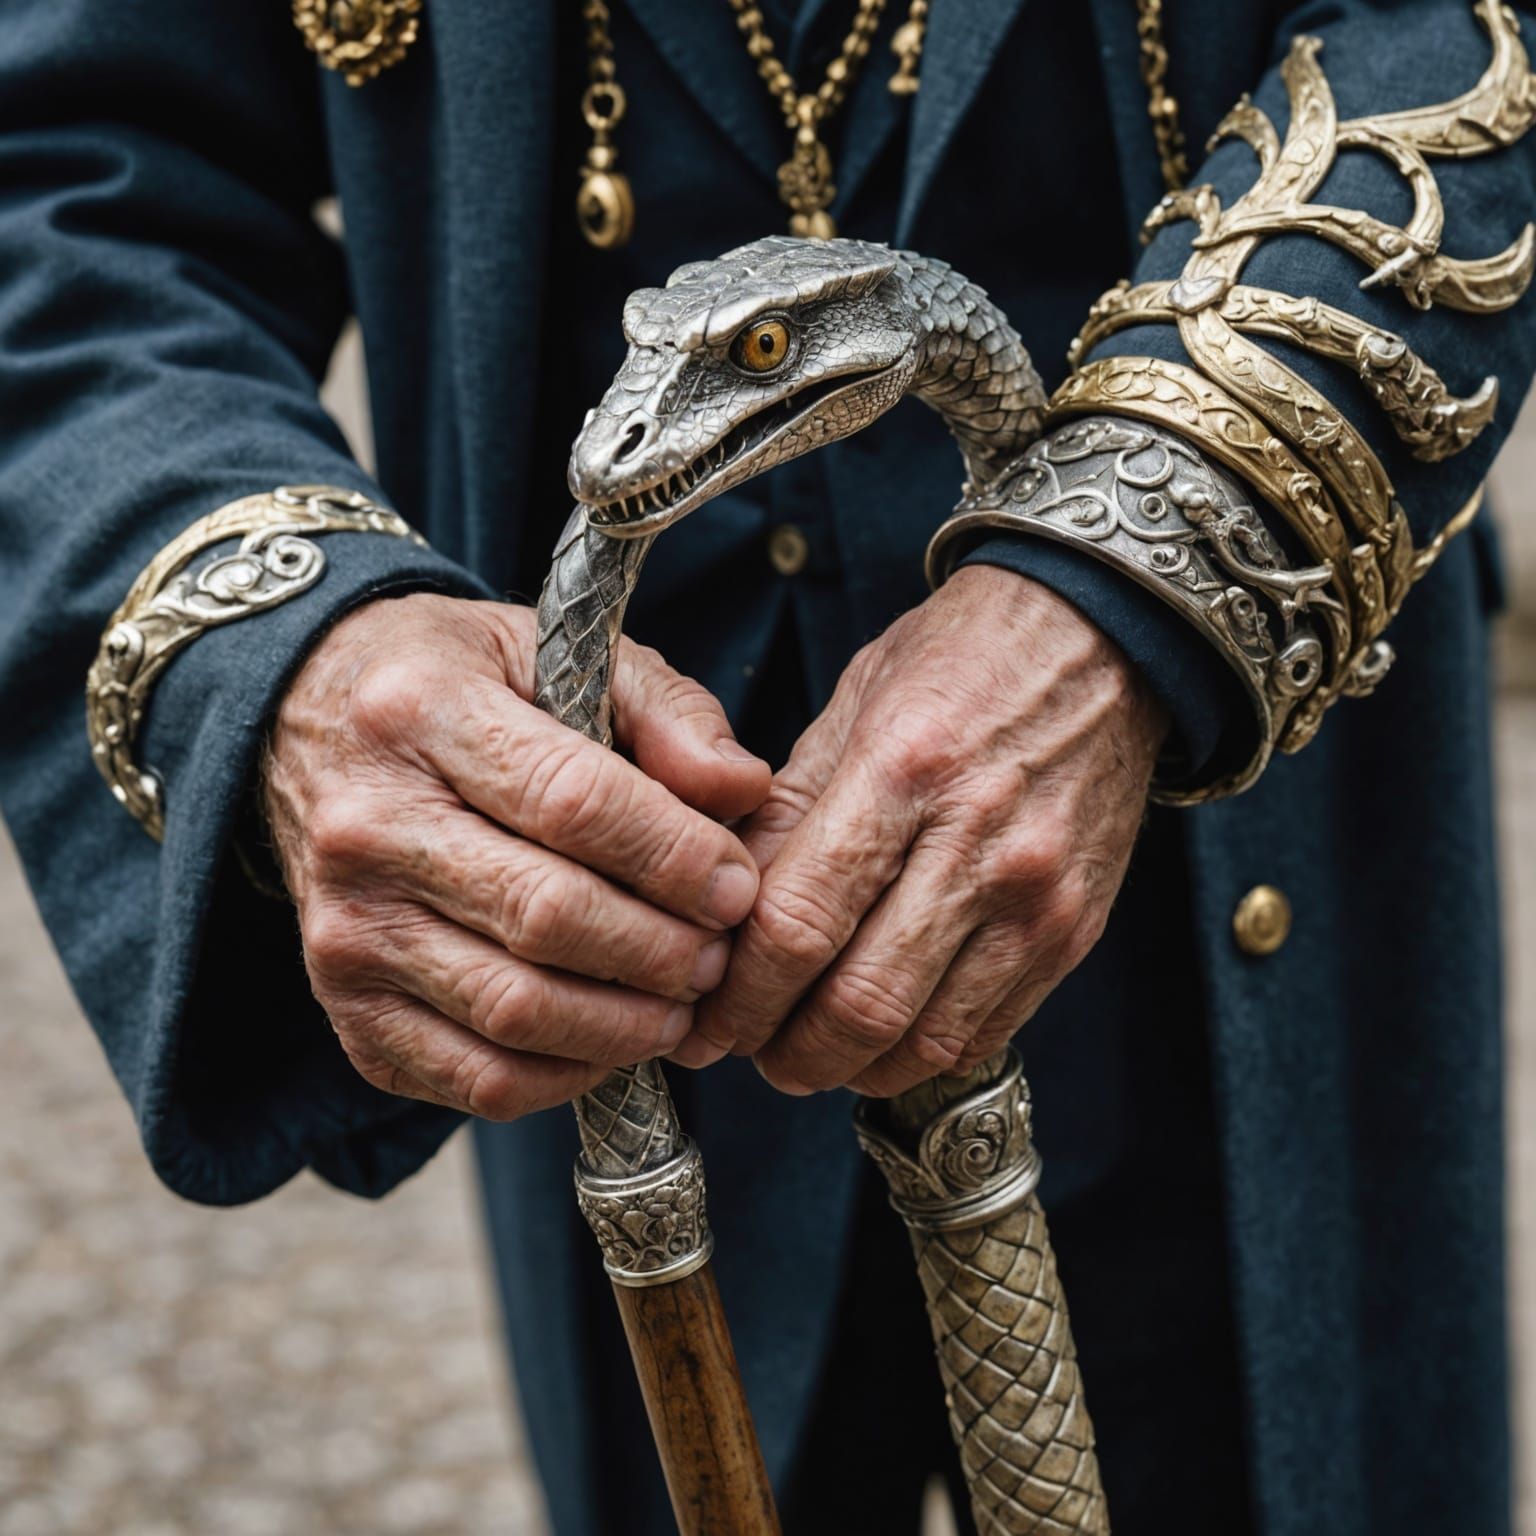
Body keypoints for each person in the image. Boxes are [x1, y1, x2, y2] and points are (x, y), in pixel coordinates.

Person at [0, 0, 1529, 1531]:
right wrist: (295, 658)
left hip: (1255, 854)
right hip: (599, 948)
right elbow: (68, 170)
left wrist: (1128, 583)